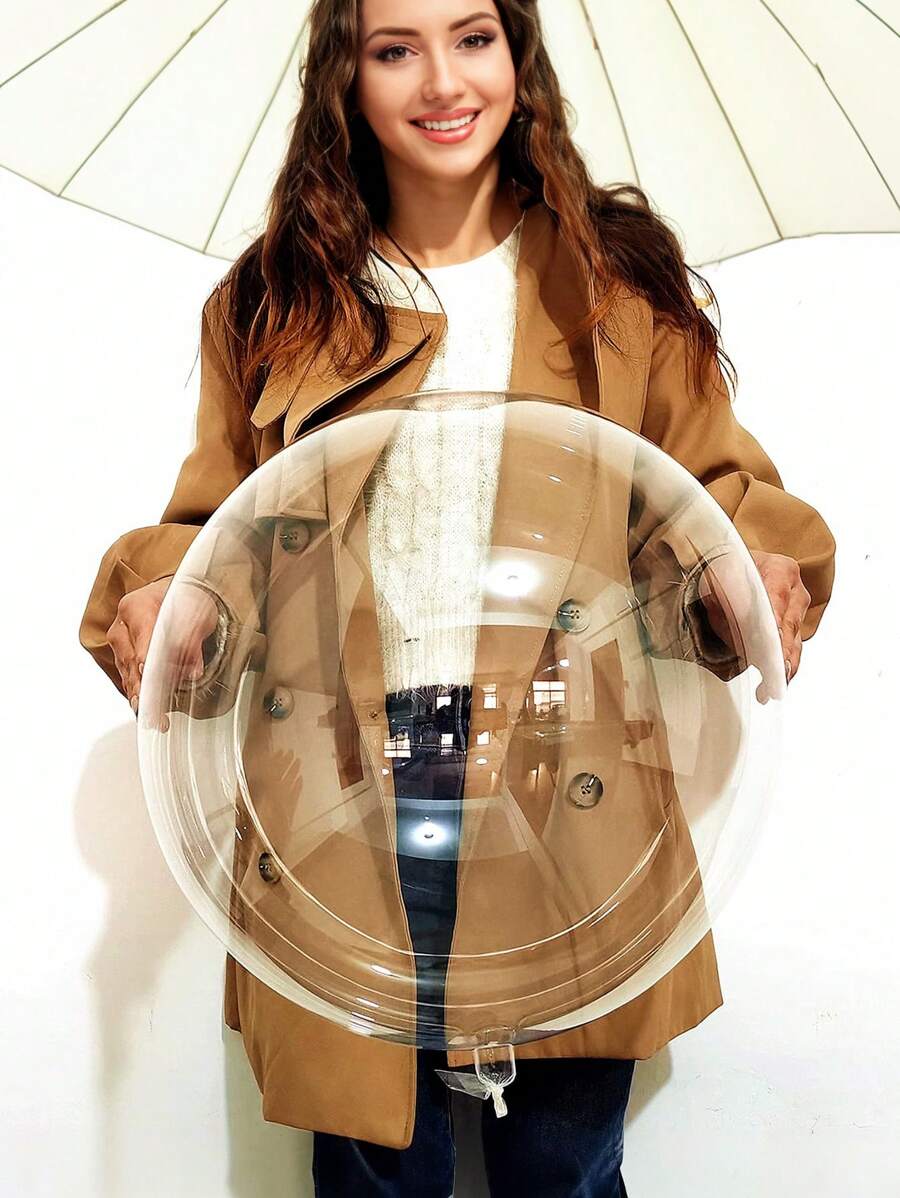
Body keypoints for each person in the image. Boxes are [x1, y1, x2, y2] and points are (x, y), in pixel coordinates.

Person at [78, 1, 837, 1194]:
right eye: (396, 49)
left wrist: (747, 572)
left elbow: (713, 492)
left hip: (570, 781)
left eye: (473, 37)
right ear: (346, 76)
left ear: (518, 55)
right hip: (341, 800)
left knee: (564, 1174)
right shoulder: (279, 299)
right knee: (375, 1175)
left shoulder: (616, 285)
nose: (443, 80)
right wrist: (169, 597)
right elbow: (216, 526)